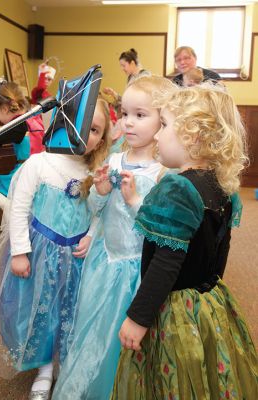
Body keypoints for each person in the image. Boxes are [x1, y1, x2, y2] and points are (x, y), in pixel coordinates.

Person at [111, 83, 258, 399]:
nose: (158, 135)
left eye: (165, 125)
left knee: (173, 377)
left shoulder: (177, 188)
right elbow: (221, 251)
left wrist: (138, 318)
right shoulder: (223, 186)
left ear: (193, 137)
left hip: (176, 307)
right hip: (208, 299)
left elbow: (165, 262)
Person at [52, 75, 175, 400]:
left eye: (140, 114)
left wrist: (135, 201)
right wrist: (103, 193)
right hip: (103, 264)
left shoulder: (164, 173)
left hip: (137, 270)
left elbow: (160, 228)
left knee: (127, 339)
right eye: (125, 114)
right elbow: (96, 209)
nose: (129, 123)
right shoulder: (113, 160)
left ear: (162, 120)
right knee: (93, 331)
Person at [0, 98, 111, 400]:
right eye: (82, 124)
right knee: (41, 313)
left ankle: (65, 362)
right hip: (40, 255)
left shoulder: (94, 171)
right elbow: (18, 209)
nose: (88, 135)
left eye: (95, 129)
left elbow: (99, 212)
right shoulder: (40, 163)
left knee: (70, 312)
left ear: (102, 138)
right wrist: (19, 251)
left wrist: (92, 234)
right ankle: (44, 369)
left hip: (76, 257)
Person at [0, 79, 45, 213]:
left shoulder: (17, 126)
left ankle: (8, 211)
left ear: (4, 108)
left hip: (22, 177)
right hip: (38, 174)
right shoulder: (33, 117)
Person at [103, 48, 150, 112]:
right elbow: (128, 100)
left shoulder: (145, 76)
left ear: (132, 63)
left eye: (123, 65)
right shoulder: (130, 77)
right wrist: (113, 93)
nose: (122, 68)